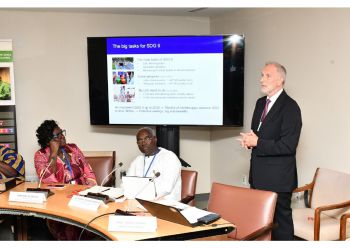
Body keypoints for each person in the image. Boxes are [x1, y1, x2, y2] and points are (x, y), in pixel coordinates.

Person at [239, 62, 302, 240]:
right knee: (260, 223)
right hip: (258, 175)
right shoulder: (260, 103)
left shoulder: (290, 107)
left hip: (278, 179)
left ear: (280, 80)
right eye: (261, 75)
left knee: (280, 226)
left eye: (267, 76)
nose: (261, 80)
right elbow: (258, 134)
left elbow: (288, 146)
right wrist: (250, 141)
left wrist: (258, 142)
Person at [34, 120, 97, 240]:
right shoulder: (41, 156)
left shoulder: (73, 148)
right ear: (49, 141)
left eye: (61, 132)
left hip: (83, 196)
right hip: (60, 202)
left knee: (93, 224)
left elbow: (88, 171)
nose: (62, 136)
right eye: (57, 135)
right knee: (71, 230)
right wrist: (53, 153)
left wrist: (90, 191)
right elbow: (49, 183)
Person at [127, 127, 182, 201]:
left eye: (147, 139)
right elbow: (127, 183)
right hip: (139, 201)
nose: (143, 143)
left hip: (165, 204)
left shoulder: (169, 157)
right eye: (139, 141)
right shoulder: (137, 160)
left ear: (155, 139)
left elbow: (167, 188)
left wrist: (140, 195)